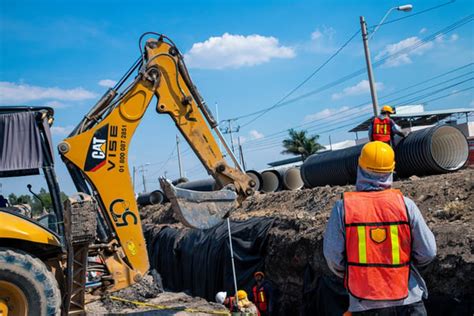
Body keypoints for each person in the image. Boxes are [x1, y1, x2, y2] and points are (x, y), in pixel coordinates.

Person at [323, 141, 437, 315]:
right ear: (391, 170)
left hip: (364, 302)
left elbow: (333, 257)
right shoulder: (406, 205)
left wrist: (356, 273)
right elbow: (428, 251)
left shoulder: (343, 208)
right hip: (408, 298)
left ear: (360, 167)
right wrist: (404, 267)